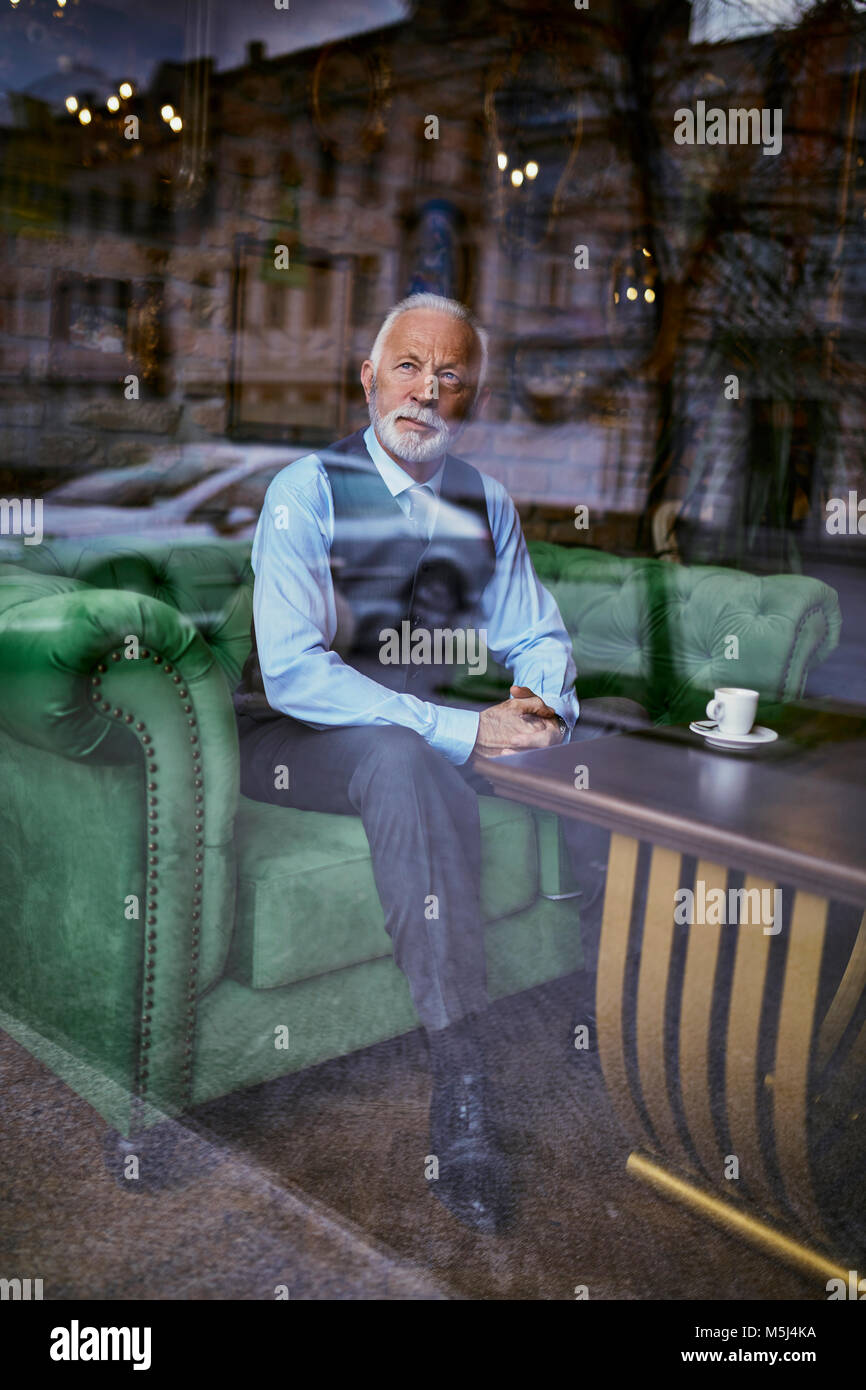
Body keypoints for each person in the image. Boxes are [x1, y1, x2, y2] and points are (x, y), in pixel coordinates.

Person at [233, 291, 645, 1232]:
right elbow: (296, 672)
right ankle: (461, 1076)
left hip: (417, 717)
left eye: (450, 375)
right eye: (409, 367)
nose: (426, 390)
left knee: (607, 726)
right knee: (400, 755)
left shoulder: (483, 501)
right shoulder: (308, 489)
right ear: (369, 378)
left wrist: (539, 706)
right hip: (295, 733)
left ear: (472, 400)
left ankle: (602, 1003)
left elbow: (533, 632)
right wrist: (465, 730)